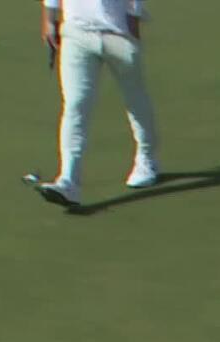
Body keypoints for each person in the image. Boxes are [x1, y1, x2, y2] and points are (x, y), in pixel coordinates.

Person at [29, 0, 160, 209]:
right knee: (75, 105)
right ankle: (68, 180)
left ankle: (147, 158)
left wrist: (133, 28)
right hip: (76, 33)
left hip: (118, 33)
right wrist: (50, 21)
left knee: (135, 100)